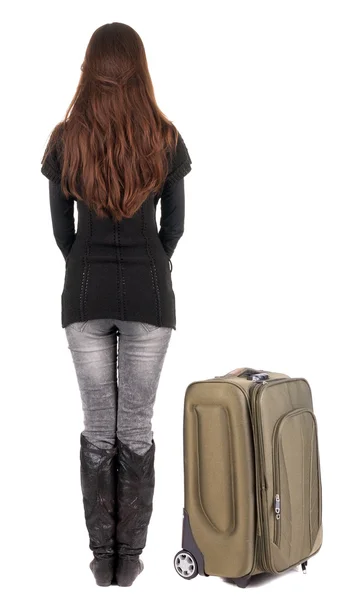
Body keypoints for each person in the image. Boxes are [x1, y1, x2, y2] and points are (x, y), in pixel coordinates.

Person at [40, 22, 192, 588]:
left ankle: (101, 561)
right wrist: (151, 260)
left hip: (84, 295)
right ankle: (130, 562)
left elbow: (62, 232)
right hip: (151, 296)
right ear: (139, 68)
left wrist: (87, 264)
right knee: (136, 429)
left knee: (97, 430)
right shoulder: (165, 136)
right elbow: (174, 227)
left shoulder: (65, 138)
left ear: (90, 68)